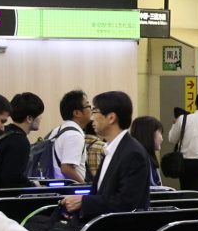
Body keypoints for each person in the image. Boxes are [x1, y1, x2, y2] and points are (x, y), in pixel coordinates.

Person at [59, 92, 149, 222]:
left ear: (111, 118)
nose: (92, 117)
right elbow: (103, 194)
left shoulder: (133, 153)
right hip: (101, 225)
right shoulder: (111, 149)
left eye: (95, 112)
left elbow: (127, 203)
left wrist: (84, 201)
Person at [0, 93, 42, 188]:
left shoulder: (3, 131)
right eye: (39, 115)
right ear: (29, 118)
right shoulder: (20, 142)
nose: (41, 118)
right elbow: (12, 179)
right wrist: (33, 186)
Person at [50, 91, 90, 183]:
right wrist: (84, 186)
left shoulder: (58, 130)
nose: (91, 110)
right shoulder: (74, 135)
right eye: (88, 106)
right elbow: (66, 169)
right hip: (68, 191)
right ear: (77, 113)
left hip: (55, 187)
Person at [130, 116, 165, 186]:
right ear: (149, 134)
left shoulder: (146, 158)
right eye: (160, 133)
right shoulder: (140, 160)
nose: (162, 139)